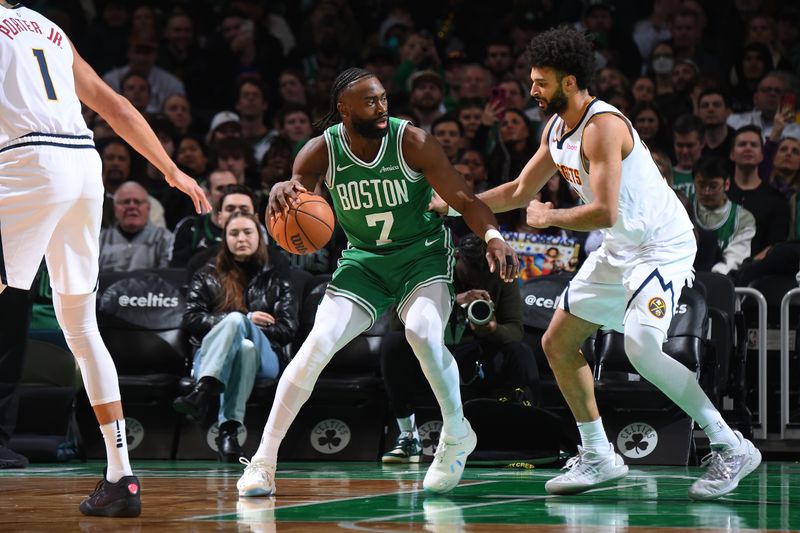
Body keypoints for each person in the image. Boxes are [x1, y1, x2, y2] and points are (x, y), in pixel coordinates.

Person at [434, 26, 761, 500]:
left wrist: (550, 216)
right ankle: (598, 455)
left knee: (642, 349)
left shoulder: (603, 127)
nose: (532, 90)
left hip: (660, 245)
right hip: (619, 246)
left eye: (539, 82)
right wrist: (455, 203)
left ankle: (730, 445)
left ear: (568, 82)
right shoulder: (556, 129)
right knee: (558, 341)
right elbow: (519, 191)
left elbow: (603, 210)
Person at [236, 67, 519, 497]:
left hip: (421, 255)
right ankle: (263, 461)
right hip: (364, 261)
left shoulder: (413, 141)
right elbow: (297, 192)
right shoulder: (318, 152)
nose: (382, 106)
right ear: (343, 110)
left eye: (384, 98)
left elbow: (463, 198)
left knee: (423, 333)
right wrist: (281, 188)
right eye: (370, 101)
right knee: (316, 346)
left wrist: (493, 236)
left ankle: (456, 432)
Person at [0, 2, 210, 517]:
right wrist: (171, 170)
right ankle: (121, 474)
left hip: (28, 161)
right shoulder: (47, 28)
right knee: (81, 327)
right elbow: (114, 106)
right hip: (82, 161)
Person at [381, 234, 538, 463]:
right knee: (393, 343)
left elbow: (515, 330)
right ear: (455, 258)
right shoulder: (432, 268)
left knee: (520, 352)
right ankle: (408, 436)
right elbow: (396, 320)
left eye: (483, 277)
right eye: (469, 275)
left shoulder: (501, 273)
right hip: (432, 351)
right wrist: (452, 299)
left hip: (477, 351)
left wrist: (492, 328)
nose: (477, 282)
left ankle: (530, 436)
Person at [176, 213, 297, 462]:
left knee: (236, 321)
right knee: (243, 347)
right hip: (213, 354)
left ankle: (204, 388)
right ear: (225, 239)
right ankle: (228, 433)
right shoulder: (206, 274)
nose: (241, 238)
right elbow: (191, 320)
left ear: (260, 237)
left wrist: (245, 321)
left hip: (267, 359)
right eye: (234, 233)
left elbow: (286, 330)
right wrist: (244, 321)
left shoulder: (277, 276)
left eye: (247, 232)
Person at [98, 182, 173, 272]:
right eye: (126, 202)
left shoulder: (164, 238)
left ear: (148, 208)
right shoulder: (100, 240)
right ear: (115, 209)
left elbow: (166, 278)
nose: (132, 206)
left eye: (138, 202)